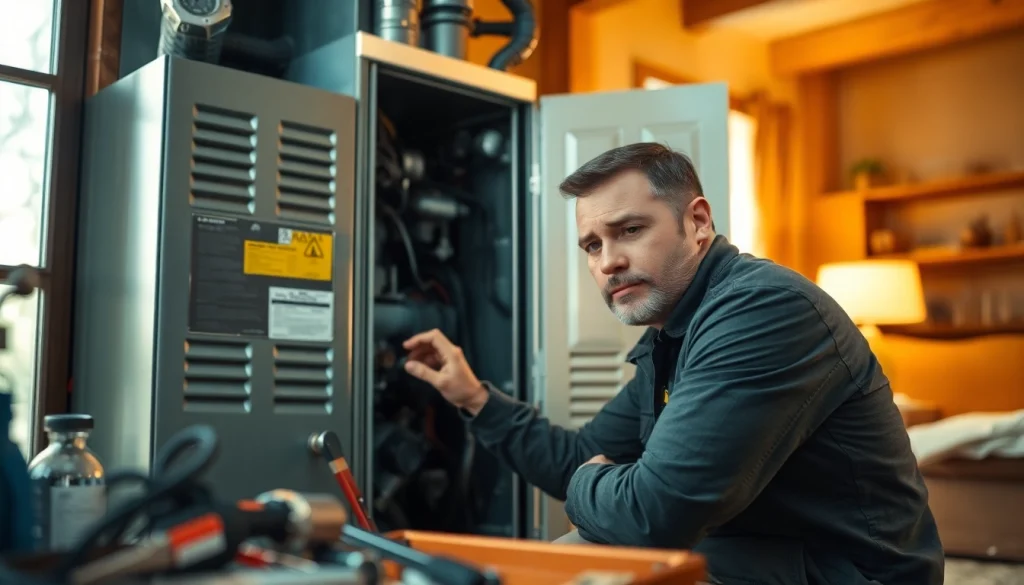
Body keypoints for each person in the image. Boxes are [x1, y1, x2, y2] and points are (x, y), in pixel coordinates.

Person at [401, 143, 943, 585]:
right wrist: (473, 397)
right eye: (591, 245)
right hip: (763, 553)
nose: (608, 260)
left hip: (852, 574)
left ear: (698, 222)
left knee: (589, 566)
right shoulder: (674, 336)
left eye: (629, 230)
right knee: (576, 561)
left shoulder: (763, 310)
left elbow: (654, 516)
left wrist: (590, 485)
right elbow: (581, 458)